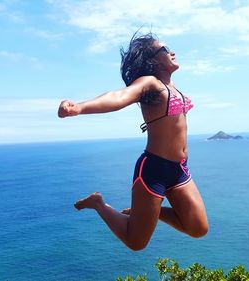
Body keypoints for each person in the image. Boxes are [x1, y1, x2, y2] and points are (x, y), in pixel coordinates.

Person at [57, 32, 209, 251]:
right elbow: (120, 96)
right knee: (136, 242)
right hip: (154, 169)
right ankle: (98, 203)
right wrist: (79, 108)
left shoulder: (173, 86)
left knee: (198, 228)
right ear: (153, 60)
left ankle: (147, 214)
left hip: (179, 169)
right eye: (165, 49)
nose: (172, 52)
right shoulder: (149, 82)